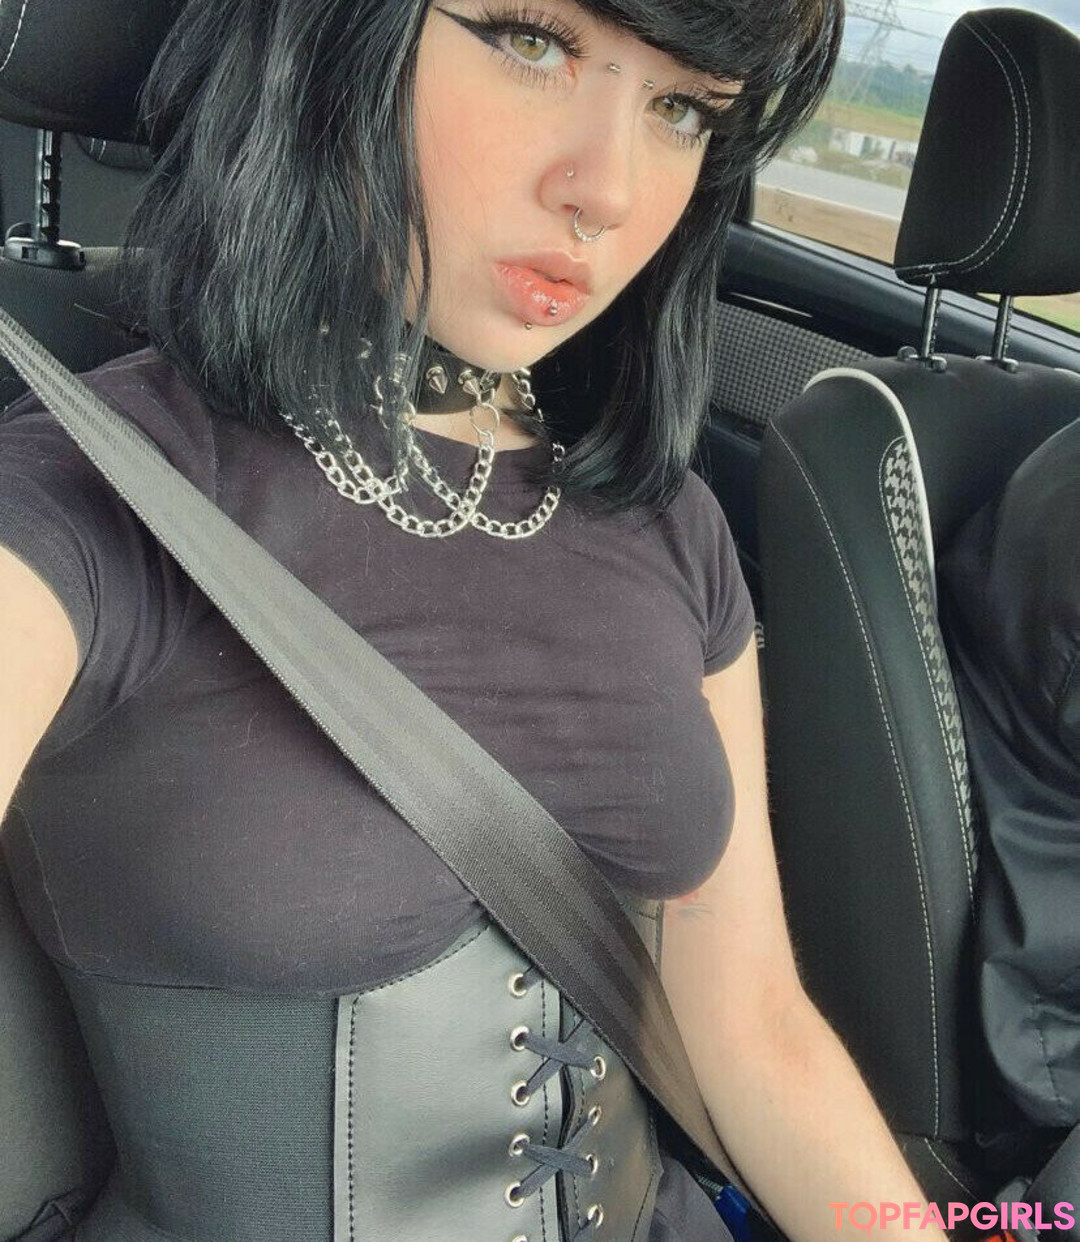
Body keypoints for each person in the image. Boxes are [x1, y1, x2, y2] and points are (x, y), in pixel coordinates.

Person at [0, 1, 951, 1239]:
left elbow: (757, 1029)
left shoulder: (671, 528)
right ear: (337, 39)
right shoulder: (83, 508)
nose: (606, 190)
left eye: (679, 108)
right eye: (530, 42)